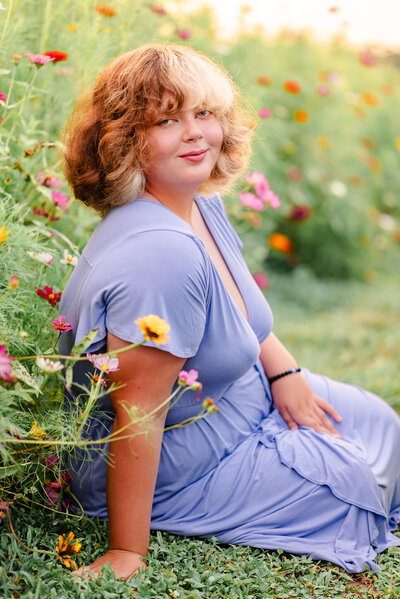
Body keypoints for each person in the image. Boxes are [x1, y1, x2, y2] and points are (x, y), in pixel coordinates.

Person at [59, 43, 400, 580]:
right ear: (126, 141)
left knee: (381, 425)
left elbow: (239, 317)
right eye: (167, 120)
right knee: (353, 485)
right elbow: (137, 415)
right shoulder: (160, 252)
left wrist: (285, 372)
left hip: (238, 396)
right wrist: (128, 552)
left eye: (204, 114)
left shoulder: (200, 205)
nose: (195, 133)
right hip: (179, 455)